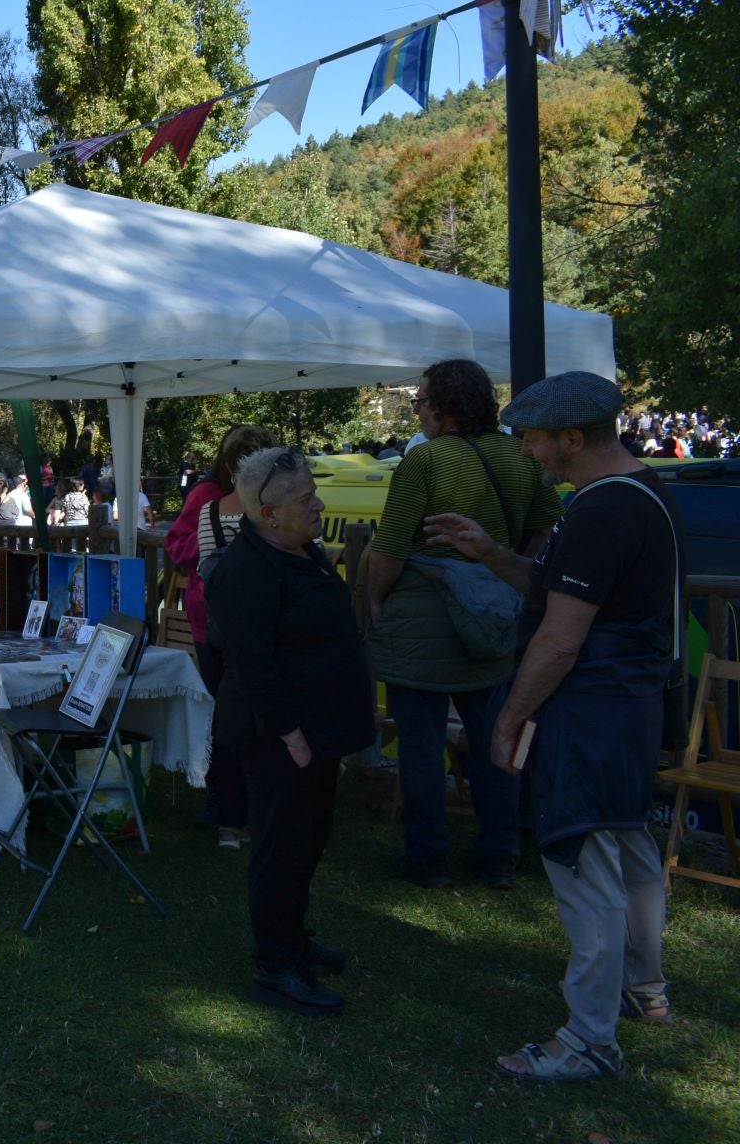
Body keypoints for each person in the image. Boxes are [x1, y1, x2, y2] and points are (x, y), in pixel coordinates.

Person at [425, 372, 681, 1082]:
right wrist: (492, 552)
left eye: (535, 439)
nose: (528, 452)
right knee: (628, 852)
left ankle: (590, 1039)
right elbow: (561, 587)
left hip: (590, 714)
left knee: (582, 867)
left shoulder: (602, 511)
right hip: (625, 713)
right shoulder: (638, 493)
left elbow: (562, 637)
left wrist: (509, 717)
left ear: (574, 439)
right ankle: (645, 991)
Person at [365, 359, 564, 891]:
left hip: (422, 620)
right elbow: (547, 525)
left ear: (443, 407)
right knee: (497, 736)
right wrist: (511, 571)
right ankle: (498, 856)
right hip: (497, 616)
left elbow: (388, 546)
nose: (418, 411)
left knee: (423, 747)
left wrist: (376, 600)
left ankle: (427, 859)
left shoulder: (425, 463)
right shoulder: (521, 457)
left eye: (421, 401)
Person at [205, 446, 375, 1017]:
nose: (318, 504)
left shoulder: (299, 550)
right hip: (281, 737)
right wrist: (292, 736)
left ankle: (293, 940)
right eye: (305, 498)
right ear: (268, 513)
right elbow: (254, 665)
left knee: (308, 841)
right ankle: (275, 965)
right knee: (281, 848)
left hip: (316, 732)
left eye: (313, 492)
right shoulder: (244, 570)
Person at [167, 425, 278, 849]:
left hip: (252, 622)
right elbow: (177, 545)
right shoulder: (205, 496)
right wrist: (217, 541)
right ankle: (221, 796)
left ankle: (247, 802)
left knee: (254, 711)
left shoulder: (269, 499)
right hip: (210, 622)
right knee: (223, 711)